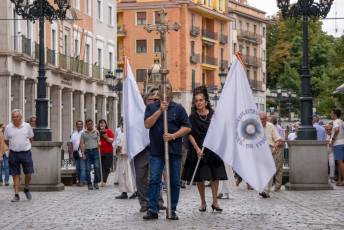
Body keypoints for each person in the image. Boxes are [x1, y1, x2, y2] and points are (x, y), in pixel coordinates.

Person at [143, 82, 191, 220]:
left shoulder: (179, 108)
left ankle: (172, 209)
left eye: (168, 88)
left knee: (174, 181)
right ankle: (153, 209)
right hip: (157, 151)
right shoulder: (152, 107)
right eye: (162, 88)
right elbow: (147, 124)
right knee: (154, 180)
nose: (165, 91)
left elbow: (187, 127)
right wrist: (160, 111)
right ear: (159, 91)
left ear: (172, 92)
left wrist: (173, 136)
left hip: (174, 151)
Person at [182, 86, 227, 212]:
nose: (198, 103)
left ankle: (215, 202)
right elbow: (189, 134)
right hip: (197, 149)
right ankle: (203, 202)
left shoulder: (213, 115)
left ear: (206, 102)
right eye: (196, 101)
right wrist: (196, 149)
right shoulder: (192, 117)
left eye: (201, 100)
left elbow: (220, 131)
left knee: (215, 176)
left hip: (212, 149)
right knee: (199, 177)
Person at [134, 88, 165, 212]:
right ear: (145, 101)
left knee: (155, 177)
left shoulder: (161, 112)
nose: (152, 101)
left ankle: (158, 201)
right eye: (150, 99)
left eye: (155, 99)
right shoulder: (137, 113)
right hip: (140, 149)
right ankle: (144, 203)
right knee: (141, 178)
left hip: (155, 148)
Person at [4, 109, 34, 202]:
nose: (15, 118)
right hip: (13, 153)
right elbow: (6, 139)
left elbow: (31, 137)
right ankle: (16, 194)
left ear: (20, 117)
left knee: (28, 173)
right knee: (15, 174)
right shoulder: (8, 127)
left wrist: (26, 145)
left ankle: (26, 188)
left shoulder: (27, 126)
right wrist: (12, 146)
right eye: (13, 117)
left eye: (16, 116)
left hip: (26, 152)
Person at [259, 112, 283, 198]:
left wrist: (274, 148)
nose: (262, 121)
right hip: (259, 151)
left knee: (268, 170)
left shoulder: (270, 126)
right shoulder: (255, 126)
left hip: (269, 149)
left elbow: (278, 140)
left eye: (263, 119)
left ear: (266, 119)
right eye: (260, 119)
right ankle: (262, 188)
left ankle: (266, 191)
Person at [115, 122, 137, 199]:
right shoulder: (120, 134)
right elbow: (117, 145)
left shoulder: (131, 134)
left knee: (130, 175)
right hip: (121, 158)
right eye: (122, 126)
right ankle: (124, 192)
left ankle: (135, 190)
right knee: (122, 175)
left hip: (129, 158)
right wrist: (118, 149)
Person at [80, 119, 101, 190]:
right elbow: (82, 144)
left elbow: (99, 141)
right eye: (88, 124)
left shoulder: (96, 132)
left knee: (97, 167)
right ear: (86, 125)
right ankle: (89, 183)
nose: (90, 125)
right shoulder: (83, 133)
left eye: (91, 124)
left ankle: (96, 182)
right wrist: (83, 153)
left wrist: (99, 143)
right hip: (87, 151)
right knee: (87, 168)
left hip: (95, 151)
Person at [68, 120, 86, 186]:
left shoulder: (84, 133)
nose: (79, 125)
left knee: (82, 168)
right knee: (77, 168)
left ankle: (82, 181)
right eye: (78, 124)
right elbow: (71, 144)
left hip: (83, 153)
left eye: (80, 124)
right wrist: (71, 154)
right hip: (76, 153)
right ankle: (80, 180)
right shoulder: (73, 133)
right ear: (76, 125)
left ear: (82, 125)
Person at [97, 119, 115, 185]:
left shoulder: (109, 131)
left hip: (108, 151)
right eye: (100, 123)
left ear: (105, 124)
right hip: (100, 152)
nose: (102, 124)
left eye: (103, 123)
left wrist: (106, 137)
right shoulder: (97, 132)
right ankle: (100, 180)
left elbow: (111, 140)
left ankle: (104, 180)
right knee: (100, 166)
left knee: (107, 166)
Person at [329, 109, 344, 186]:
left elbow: (337, 130)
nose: (330, 115)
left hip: (337, 143)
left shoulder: (335, 122)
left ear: (335, 114)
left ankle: (343, 180)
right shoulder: (341, 121)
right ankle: (339, 180)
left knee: (340, 163)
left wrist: (332, 140)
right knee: (339, 162)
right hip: (342, 143)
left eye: (331, 113)